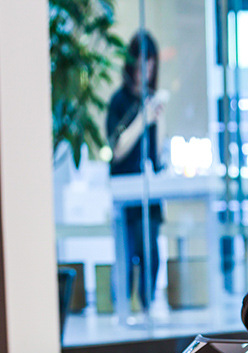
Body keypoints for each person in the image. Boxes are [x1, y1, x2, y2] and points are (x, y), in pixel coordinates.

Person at [107, 31, 168, 312]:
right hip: (126, 192)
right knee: (127, 252)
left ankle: (147, 306)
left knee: (151, 253)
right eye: (143, 64)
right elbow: (117, 148)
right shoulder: (120, 102)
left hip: (148, 191)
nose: (147, 71)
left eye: (151, 65)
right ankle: (124, 308)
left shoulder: (150, 101)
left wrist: (159, 118)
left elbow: (156, 155)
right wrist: (143, 119)